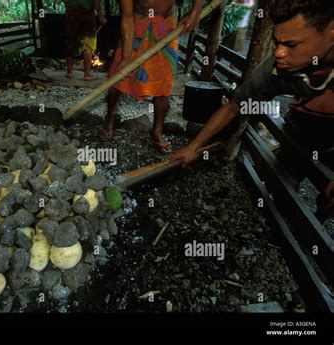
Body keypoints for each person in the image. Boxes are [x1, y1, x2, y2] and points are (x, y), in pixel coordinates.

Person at [171, 0, 334, 218]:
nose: (279, 53)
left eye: (292, 44)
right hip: (306, 119)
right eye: (277, 42)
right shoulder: (276, 69)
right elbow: (233, 107)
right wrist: (193, 147)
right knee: (291, 170)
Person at [99, 0, 203, 152]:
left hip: (167, 25)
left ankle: (157, 130)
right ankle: (109, 119)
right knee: (119, 76)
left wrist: (195, 13)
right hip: (136, 23)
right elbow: (127, 17)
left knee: (164, 81)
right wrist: (126, 58)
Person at [63, 0, 107, 80]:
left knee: (70, 40)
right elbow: (96, 1)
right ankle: (87, 74)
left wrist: (68, 5)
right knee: (88, 41)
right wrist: (100, 16)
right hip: (87, 12)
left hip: (71, 11)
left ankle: (69, 72)